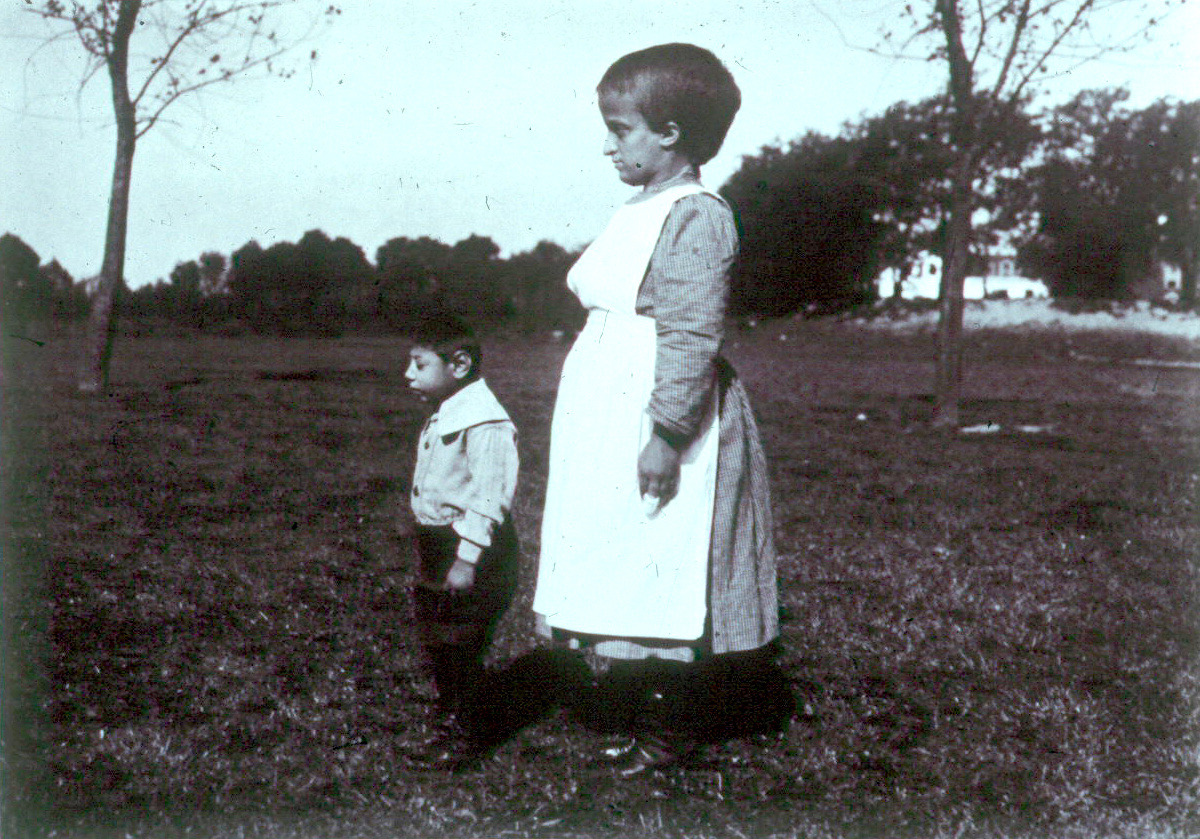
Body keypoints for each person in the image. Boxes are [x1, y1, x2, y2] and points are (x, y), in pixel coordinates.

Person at [533, 43, 793, 776]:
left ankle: (671, 727)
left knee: (664, 560)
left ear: (671, 132)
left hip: (661, 413)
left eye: (621, 129)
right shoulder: (640, 208)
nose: (610, 144)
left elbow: (689, 331)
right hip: (612, 408)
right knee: (627, 553)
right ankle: (648, 713)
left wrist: (668, 432)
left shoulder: (695, 215)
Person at [402, 313, 521, 769]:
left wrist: (466, 559)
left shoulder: (485, 421)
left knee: (461, 642)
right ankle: (451, 714)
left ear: (460, 365)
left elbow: (490, 496)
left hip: (472, 550)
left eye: (419, 364)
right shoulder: (450, 410)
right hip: (439, 546)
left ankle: (468, 735)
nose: (408, 375)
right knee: (440, 639)